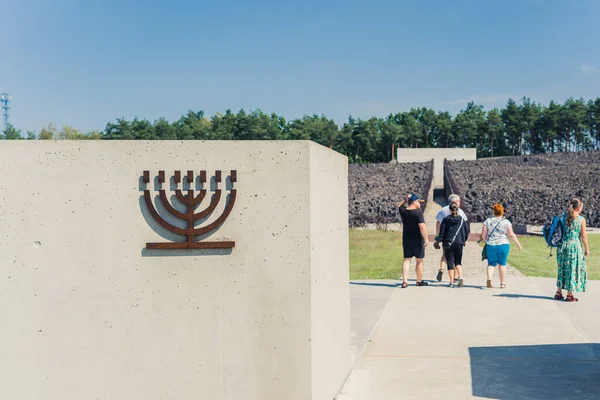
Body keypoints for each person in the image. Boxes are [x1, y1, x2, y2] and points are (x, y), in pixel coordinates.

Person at [554, 198, 589, 302]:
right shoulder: (581, 219)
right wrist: (587, 249)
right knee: (572, 269)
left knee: (562, 268)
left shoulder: (563, 217)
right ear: (579, 207)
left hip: (562, 246)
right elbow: (583, 236)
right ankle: (569, 294)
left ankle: (558, 292)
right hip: (574, 247)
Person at [480, 204, 522, 289]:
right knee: (502, 264)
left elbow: (483, 235)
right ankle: (502, 283)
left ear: (494, 211)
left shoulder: (488, 221)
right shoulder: (506, 222)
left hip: (491, 244)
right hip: (503, 244)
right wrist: (518, 244)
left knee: (491, 264)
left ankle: (489, 278)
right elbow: (511, 234)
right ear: (502, 212)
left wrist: (486, 241)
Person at [397, 194, 429, 288]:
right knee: (419, 261)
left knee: (406, 259)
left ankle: (405, 281)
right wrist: (426, 239)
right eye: (419, 202)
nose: (420, 204)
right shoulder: (418, 213)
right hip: (417, 239)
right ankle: (419, 281)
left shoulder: (404, 211)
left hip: (406, 239)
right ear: (414, 202)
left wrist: (405, 199)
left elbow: (399, 205)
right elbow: (422, 226)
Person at [434, 194, 468, 283]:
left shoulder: (442, 210)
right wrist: (464, 239)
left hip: (446, 239)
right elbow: (465, 226)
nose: (460, 203)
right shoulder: (460, 212)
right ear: (455, 202)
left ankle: (441, 269)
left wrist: (438, 236)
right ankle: (457, 276)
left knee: (446, 255)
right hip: (458, 239)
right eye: (459, 201)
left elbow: (438, 223)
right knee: (457, 260)